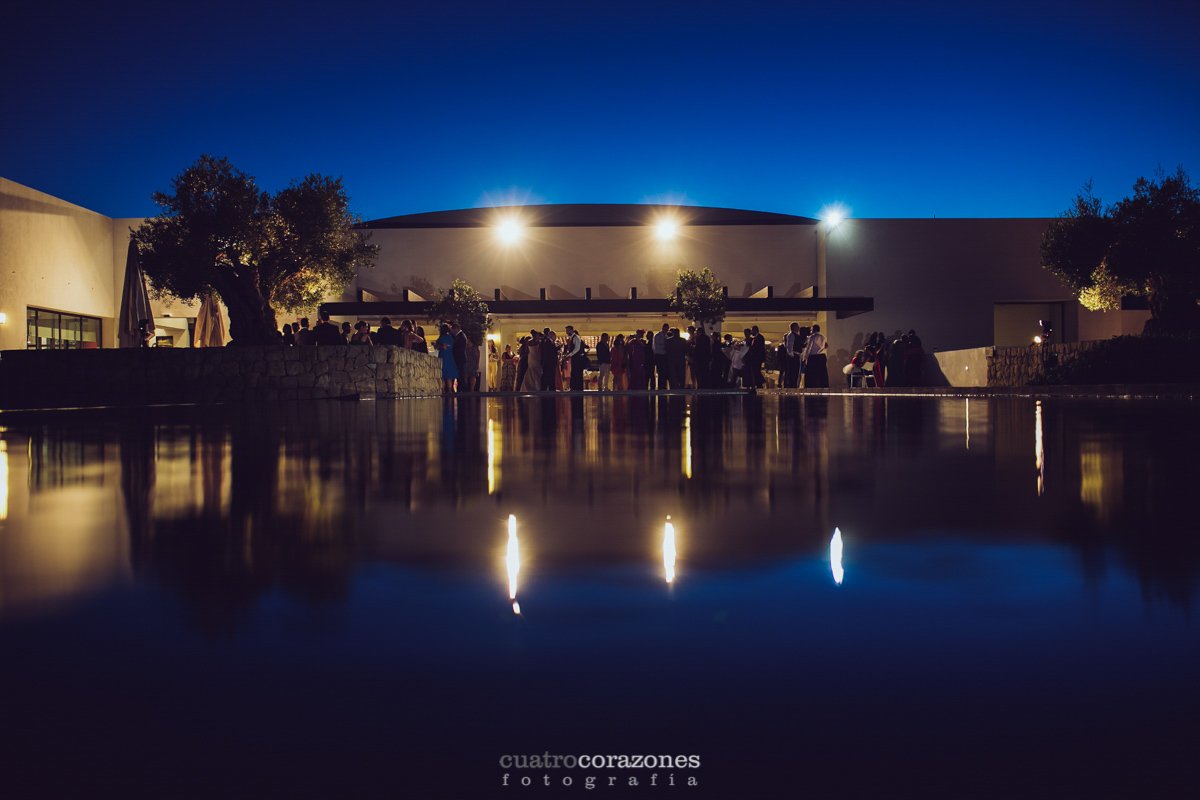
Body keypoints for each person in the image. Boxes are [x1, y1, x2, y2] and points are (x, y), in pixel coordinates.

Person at [801, 323, 829, 387]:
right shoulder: (823, 337)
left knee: (812, 374)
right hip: (822, 356)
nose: (811, 331)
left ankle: (812, 386)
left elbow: (808, 348)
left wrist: (805, 358)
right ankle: (822, 386)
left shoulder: (812, 337)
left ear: (813, 329)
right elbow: (825, 346)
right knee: (822, 373)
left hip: (813, 357)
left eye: (811, 329)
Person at [436, 323, 458, 394]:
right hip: (450, 357)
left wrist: (437, 345)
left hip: (444, 357)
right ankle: (450, 391)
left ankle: (444, 391)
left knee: (444, 375)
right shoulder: (451, 338)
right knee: (449, 376)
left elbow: (441, 346)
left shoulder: (442, 338)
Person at [564, 325, 587, 391]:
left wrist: (569, 355)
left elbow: (577, 348)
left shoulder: (576, 338)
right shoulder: (572, 338)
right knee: (575, 372)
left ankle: (577, 388)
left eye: (567, 330)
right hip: (575, 358)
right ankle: (575, 387)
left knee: (577, 372)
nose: (566, 332)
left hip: (577, 359)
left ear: (571, 330)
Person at [783, 322, 803, 388]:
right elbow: (789, 346)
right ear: (794, 327)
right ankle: (792, 386)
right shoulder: (791, 335)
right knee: (793, 372)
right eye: (797, 326)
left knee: (795, 372)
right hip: (793, 356)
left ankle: (793, 385)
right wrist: (792, 355)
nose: (798, 328)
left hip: (795, 355)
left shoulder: (795, 335)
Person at [652, 323, 669, 390]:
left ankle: (663, 386)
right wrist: (664, 347)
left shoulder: (666, 336)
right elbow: (657, 347)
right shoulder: (658, 336)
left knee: (664, 372)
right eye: (666, 329)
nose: (666, 330)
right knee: (660, 371)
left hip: (664, 356)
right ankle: (660, 386)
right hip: (659, 355)